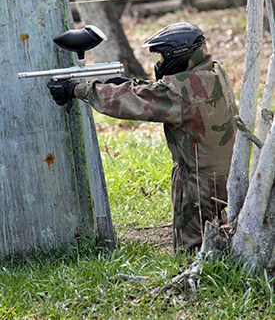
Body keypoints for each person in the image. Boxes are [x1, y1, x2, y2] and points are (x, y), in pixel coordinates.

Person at [47, 22, 237, 252]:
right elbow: (166, 94)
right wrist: (129, 84)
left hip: (199, 183)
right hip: (227, 175)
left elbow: (135, 103)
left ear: (180, 55)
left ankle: (197, 284)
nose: (160, 64)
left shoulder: (179, 93)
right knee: (220, 235)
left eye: (162, 58)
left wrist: (78, 89)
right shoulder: (215, 72)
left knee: (192, 249)